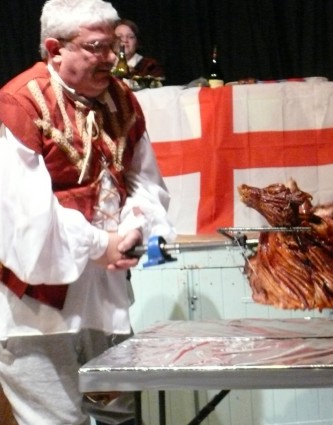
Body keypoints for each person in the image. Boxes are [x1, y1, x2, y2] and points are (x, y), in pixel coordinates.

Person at [0, 0, 176, 424]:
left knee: (120, 415)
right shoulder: (20, 103)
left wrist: (135, 225)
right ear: (55, 49)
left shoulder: (122, 100)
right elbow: (26, 215)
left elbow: (144, 180)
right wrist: (100, 244)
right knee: (57, 420)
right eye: (97, 47)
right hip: (36, 310)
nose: (111, 58)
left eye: (113, 45)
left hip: (104, 298)